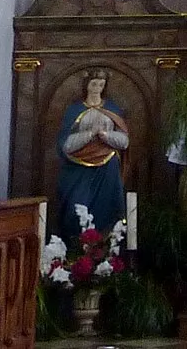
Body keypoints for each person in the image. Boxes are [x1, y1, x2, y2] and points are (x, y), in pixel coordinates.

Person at [54, 68, 129, 245]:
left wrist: (105, 135)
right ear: (86, 85)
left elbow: (124, 141)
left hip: (107, 167)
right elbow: (65, 144)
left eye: (101, 85)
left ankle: (107, 252)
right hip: (78, 168)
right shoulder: (75, 110)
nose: (97, 88)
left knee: (108, 210)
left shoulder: (112, 109)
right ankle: (74, 248)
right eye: (94, 84)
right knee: (75, 209)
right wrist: (89, 134)